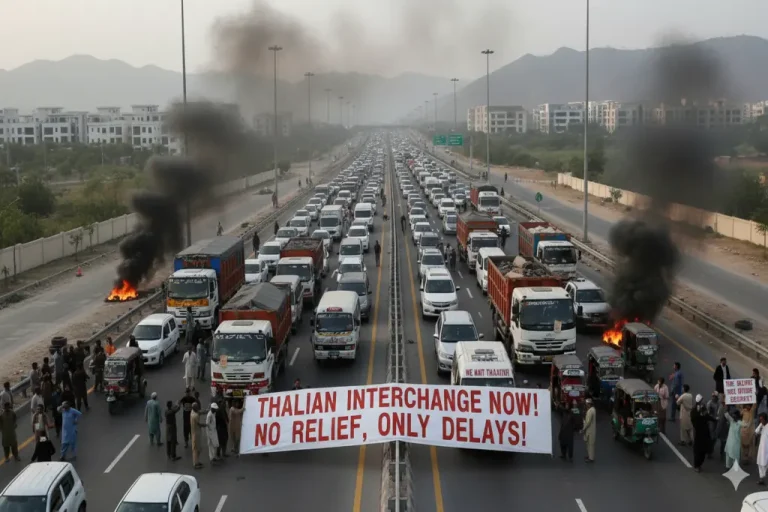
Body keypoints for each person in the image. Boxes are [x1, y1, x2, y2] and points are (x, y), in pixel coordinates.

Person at [691, 394, 714, 472]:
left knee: (704, 450)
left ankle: (700, 464)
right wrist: (699, 415)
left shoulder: (703, 408)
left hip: (705, 432)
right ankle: (696, 465)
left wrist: (715, 419)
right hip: (698, 432)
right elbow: (694, 420)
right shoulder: (694, 410)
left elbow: (707, 416)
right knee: (698, 450)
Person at [190, 403, 204, 469]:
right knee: (196, 449)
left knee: (197, 448)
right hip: (196, 433)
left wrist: (206, 410)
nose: (198, 408)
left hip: (195, 432)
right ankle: (195, 463)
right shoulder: (195, 416)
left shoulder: (192, 412)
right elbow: (199, 424)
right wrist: (206, 425)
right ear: (194, 408)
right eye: (197, 407)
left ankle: (197, 461)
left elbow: (199, 412)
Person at [581, 398, 596, 463]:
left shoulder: (590, 411)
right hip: (591, 430)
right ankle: (589, 456)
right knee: (589, 444)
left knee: (590, 445)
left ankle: (591, 458)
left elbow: (588, 422)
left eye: (586, 404)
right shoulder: (593, 409)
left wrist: (583, 429)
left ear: (589, 404)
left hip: (590, 431)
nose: (586, 405)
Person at [757, 413, 768, 484]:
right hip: (761, 447)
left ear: (765, 419)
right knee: (760, 462)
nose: (761, 421)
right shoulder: (761, 425)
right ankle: (762, 478)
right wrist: (760, 426)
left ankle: (763, 478)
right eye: (760, 419)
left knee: (765, 463)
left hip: (766, 448)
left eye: (762, 419)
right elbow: (756, 432)